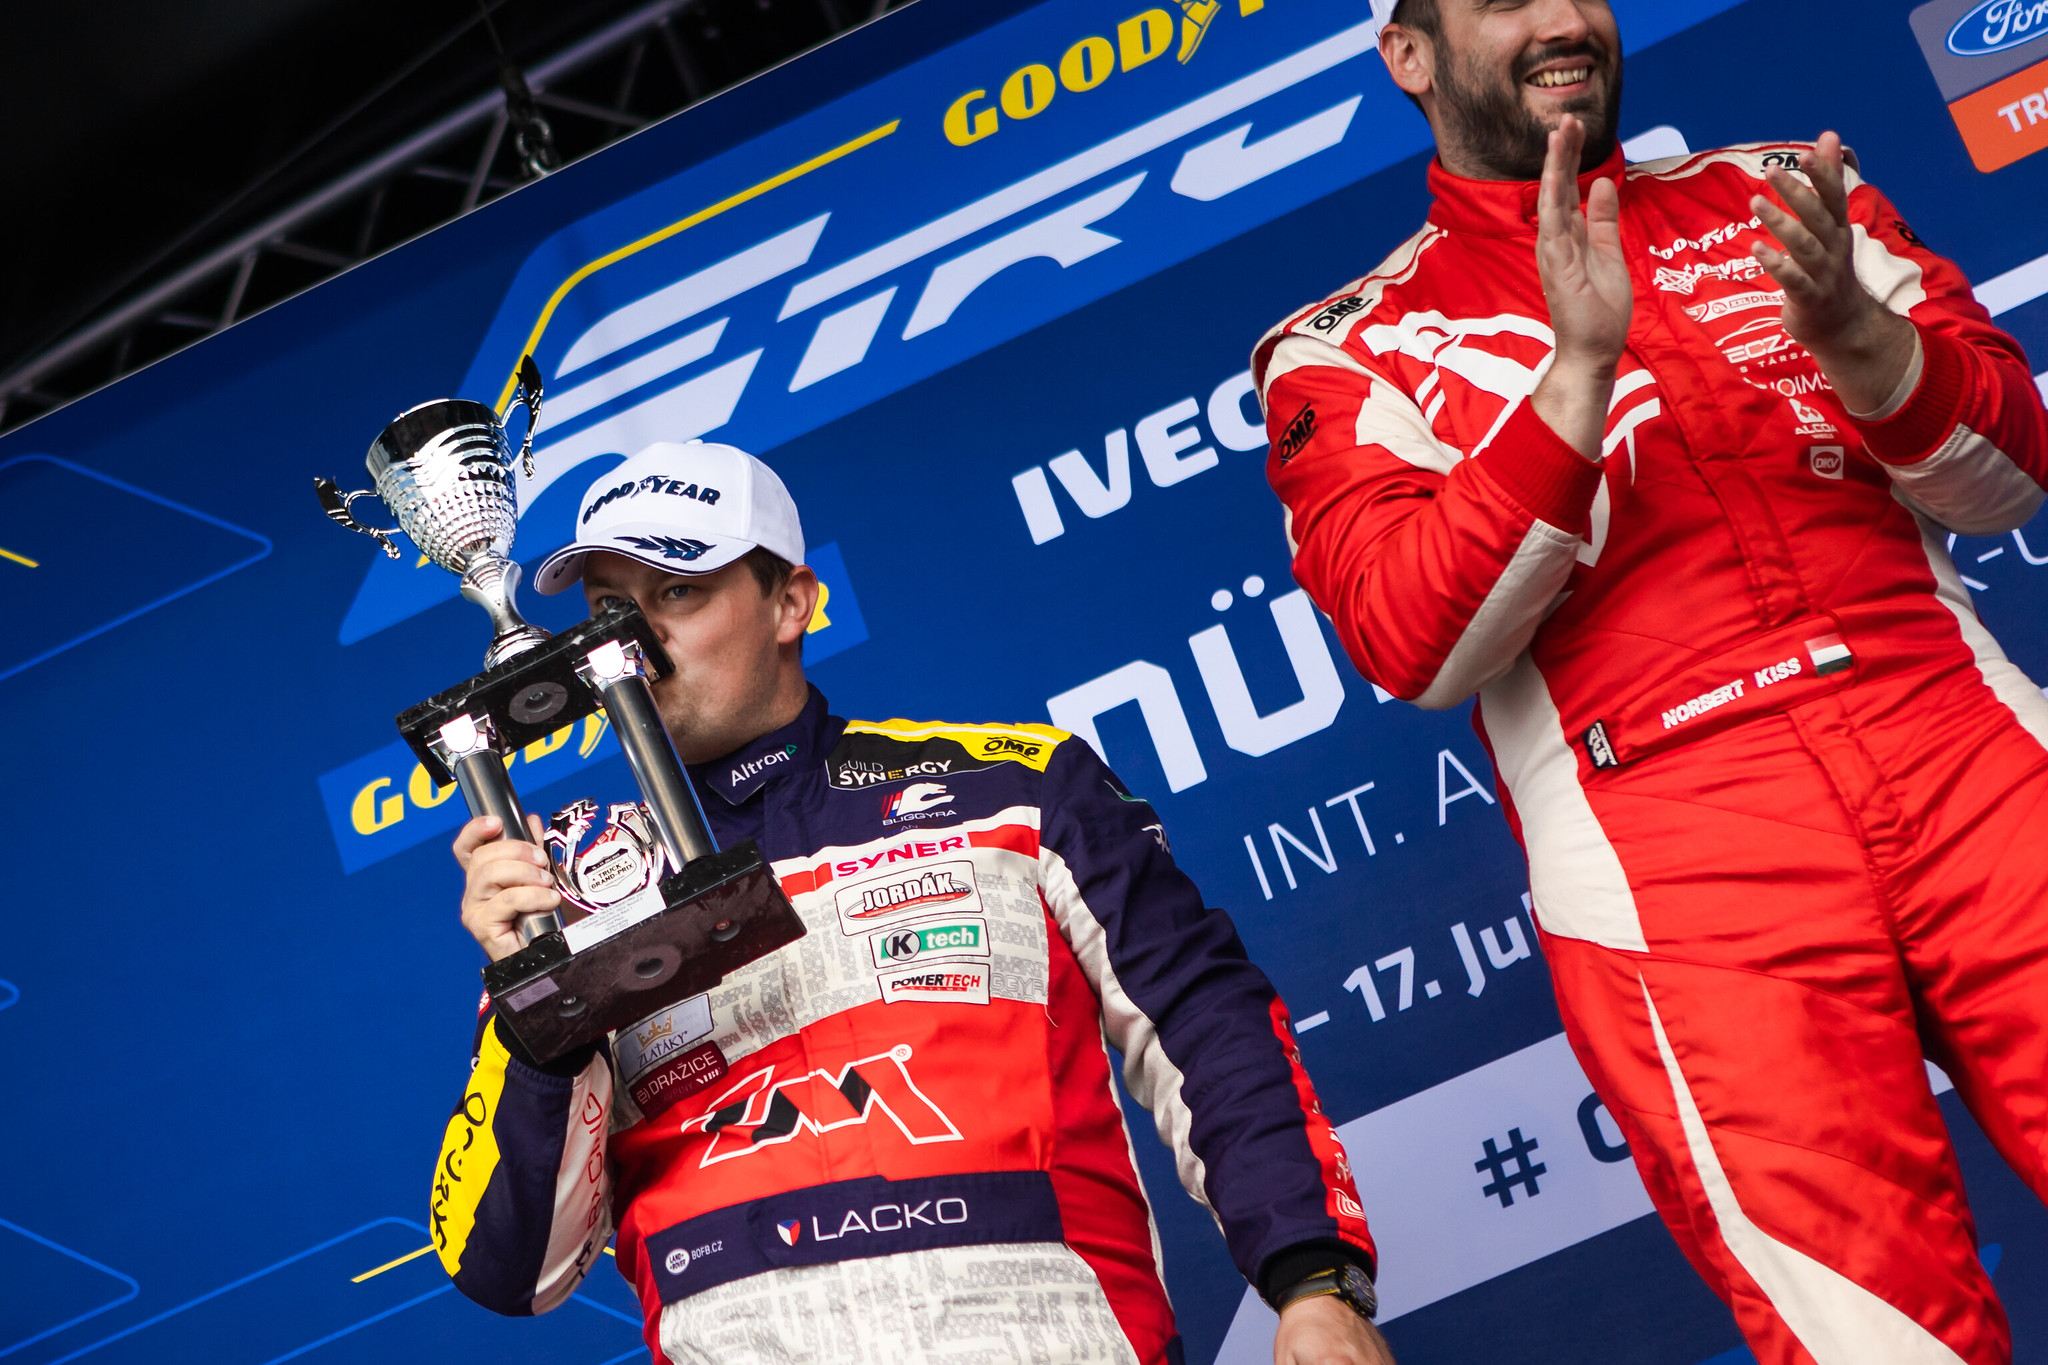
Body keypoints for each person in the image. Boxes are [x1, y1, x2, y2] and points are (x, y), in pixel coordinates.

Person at [1251, 1, 2048, 1361]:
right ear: (1409, 55)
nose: (1563, 18)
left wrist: (1856, 335)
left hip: (1962, 747)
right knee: (1879, 1338)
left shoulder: (1783, 193)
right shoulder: (1346, 346)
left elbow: (2013, 474)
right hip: (1672, 857)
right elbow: (1411, 639)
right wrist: (1575, 374)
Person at [429, 439, 1395, 1365]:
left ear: (791, 603)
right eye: (608, 606)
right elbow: (512, 1270)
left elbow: (1206, 1024)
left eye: (677, 591)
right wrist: (536, 1008)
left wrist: (1315, 1282)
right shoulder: (569, 895)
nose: (632, 638)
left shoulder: (1018, 788)